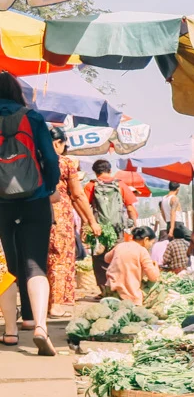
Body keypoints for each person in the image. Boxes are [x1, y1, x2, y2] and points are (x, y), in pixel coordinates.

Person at [0, 71, 61, 355]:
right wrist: (48, 186)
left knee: (7, 268)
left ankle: (11, 333)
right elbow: (49, 157)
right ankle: (39, 327)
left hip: (1, 201)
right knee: (35, 264)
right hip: (34, 196)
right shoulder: (33, 117)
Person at [47, 126, 99, 319]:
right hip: (58, 217)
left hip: (33, 215)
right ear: (57, 143)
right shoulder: (65, 163)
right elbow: (77, 195)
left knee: (38, 261)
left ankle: (34, 309)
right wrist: (92, 221)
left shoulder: (33, 162)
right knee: (59, 260)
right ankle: (55, 305)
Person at [85, 158, 139, 290]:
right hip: (117, 229)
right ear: (110, 170)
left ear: (95, 172)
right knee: (117, 258)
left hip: (99, 229)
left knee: (99, 259)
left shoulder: (91, 185)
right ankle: (118, 289)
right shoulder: (120, 185)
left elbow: (85, 208)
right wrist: (134, 226)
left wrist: (85, 228)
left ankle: (104, 290)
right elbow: (131, 208)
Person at [104, 226, 160, 305]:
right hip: (129, 293)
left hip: (110, 288)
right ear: (146, 240)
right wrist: (155, 267)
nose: (151, 245)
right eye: (152, 242)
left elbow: (106, 258)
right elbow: (153, 277)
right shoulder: (142, 251)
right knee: (157, 285)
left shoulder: (120, 245)